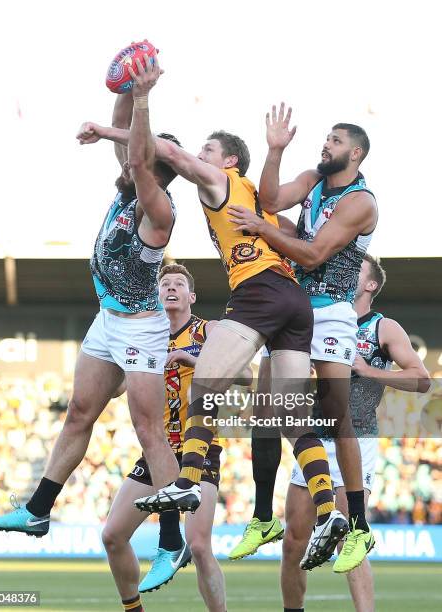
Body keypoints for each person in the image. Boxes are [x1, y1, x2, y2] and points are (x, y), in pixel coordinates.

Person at [80, 58, 348, 554]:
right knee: (292, 418)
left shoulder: (221, 182)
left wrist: (107, 128)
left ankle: (185, 480)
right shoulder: (255, 194)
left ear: (227, 163)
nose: (196, 154)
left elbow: (164, 152)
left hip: (259, 291)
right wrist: (281, 157)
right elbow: (286, 212)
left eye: (207, 149)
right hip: (294, 299)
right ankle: (330, 513)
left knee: (204, 384)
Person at [0, 54, 180, 541]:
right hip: (108, 318)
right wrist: (124, 86)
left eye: (141, 151)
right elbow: (121, 129)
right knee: (79, 413)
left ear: (154, 163)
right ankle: (38, 509)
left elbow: (134, 150)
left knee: (149, 428)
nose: (130, 153)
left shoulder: (158, 206)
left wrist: (144, 96)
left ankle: (172, 539)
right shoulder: (129, 185)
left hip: (139, 325)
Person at [228, 103, 378, 572]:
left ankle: (357, 527)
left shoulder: (360, 201)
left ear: (354, 153)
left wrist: (265, 232)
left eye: (335, 140)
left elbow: (313, 255)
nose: (325, 144)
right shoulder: (314, 178)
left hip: (331, 310)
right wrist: (274, 152)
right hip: (295, 308)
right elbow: (271, 199)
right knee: (267, 413)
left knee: (335, 416)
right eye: (326, 139)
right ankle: (260, 517)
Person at [280, 255, 430, 612]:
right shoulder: (318, 319)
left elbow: (421, 378)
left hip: (356, 437)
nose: (343, 270)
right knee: (293, 541)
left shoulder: (383, 328)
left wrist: (368, 371)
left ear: (370, 285)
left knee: (350, 537)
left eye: (355, 268)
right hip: (313, 439)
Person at [103, 263, 230, 612]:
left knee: (200, 545)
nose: (170, 288)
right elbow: (114, 389)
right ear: (157, 295)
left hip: (199, 451)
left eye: (178, 284)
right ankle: (133, 609)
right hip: (157, 453)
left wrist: (188, 358)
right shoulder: (145, 339)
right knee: (112, 536)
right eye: (164, 284)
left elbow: (245, 375)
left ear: (191, 296)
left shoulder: (210, 331)